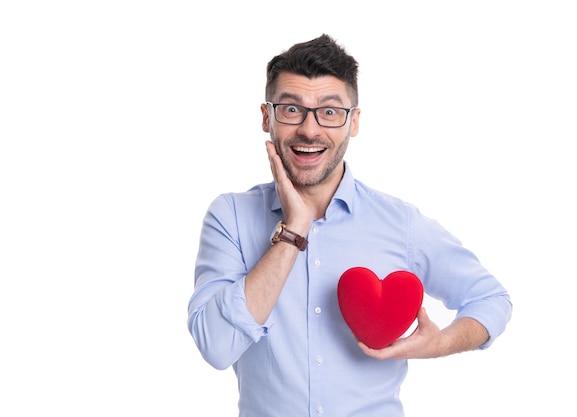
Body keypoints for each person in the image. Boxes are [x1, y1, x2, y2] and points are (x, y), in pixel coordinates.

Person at [187, 33, 512, 417]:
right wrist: (295, 230)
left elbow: (491, 300)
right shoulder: (231, 218)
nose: (310, 130)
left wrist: (439, 343)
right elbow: (216, 347)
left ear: (353, 122)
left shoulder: (400, 223)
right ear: (266, 117)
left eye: (329, 111)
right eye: (291, 110)